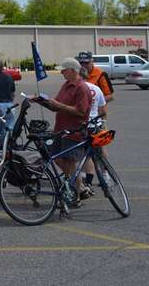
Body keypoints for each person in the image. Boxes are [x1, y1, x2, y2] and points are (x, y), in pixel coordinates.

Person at [31, 57, 91, 199]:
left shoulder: (81, 87)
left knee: (70, 162)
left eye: (64, 70)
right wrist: (40, 101)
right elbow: (55, 105)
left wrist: (59, 106)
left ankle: (76, 194)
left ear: (72, 70)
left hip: (73, 131)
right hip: (61, 130)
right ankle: (78, 186)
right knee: (54, 157)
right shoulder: (66, 85)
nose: (62, 73)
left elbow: (81, 112)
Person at [79, 64, 108, 194]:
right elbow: (103, 109)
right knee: (100, 151)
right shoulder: (96, 89)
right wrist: (103, 124)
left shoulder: (78, 89)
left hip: (82, 126)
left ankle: (86, 179)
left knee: (83, 154)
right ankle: (106, 174)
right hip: (95, 125)